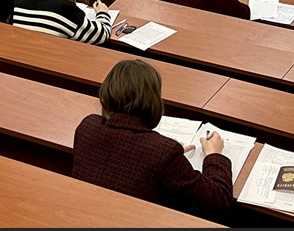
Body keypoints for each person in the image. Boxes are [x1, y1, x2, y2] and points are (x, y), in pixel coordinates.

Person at [73, 59, 233, 216]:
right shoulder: (164, 153)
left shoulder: (88, 126)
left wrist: (168, 155)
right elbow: (219, 200)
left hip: (82, 214)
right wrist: (214, 155)